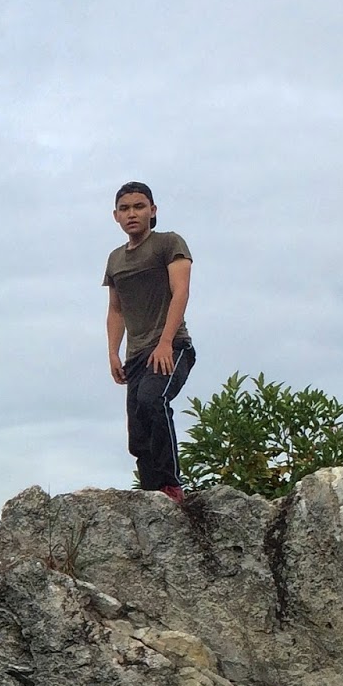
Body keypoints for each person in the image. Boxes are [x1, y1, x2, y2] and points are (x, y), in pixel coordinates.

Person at [103, 182, 195, 502]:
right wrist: (113, 352)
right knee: (138, 432)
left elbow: (181, 291)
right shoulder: (115, 260)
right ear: (116, 215)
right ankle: (152, 494)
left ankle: (171, 485)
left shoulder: (168, 244)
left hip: (172, 346)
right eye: (125, 208)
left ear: (152, 211)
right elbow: (116, 309)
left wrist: (166, 342)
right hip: (136, 355)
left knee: (153, 401)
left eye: (139, 207)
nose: (132, 214)